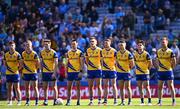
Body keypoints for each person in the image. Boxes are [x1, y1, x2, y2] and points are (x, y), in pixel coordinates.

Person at [156, 37, 176, 106]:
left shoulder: (170, 51)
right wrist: (158, 67)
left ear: (167, 42)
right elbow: (157, 60)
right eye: (162, 42)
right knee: (160, 87)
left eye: (164, 42)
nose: (162, 43)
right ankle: (159, 101)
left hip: (168, 71)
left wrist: (171, 68)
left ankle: (173, 101)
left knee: (170, 86)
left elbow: (174, 61)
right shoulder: (158, 51)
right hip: (161, 71)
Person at [40, 39, 59, 105]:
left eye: (47, 44)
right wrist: (41, 71)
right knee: (45, 87)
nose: (46, 45)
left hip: (52, 72)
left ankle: (55, 101)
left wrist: (54, 72)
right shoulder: (42, 52)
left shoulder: (53, 52)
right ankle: (45, 101)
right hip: (45, 72)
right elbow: (41, 63)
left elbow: (56, 63)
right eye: (45, 44)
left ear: (50, 44)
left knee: (54, 87)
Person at [21, 40, 40, 106]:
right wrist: (23, 70)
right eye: (26, 45)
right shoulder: (23, 53)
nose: (27, 46)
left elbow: (38, 64)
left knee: (35, 87)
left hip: (33, 73)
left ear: (31, 45)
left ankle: (37, 102)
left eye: (28, 45)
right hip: (26, 73)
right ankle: (27, 102)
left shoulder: (34, 54)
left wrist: (35, 70)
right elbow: (22, 63)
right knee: (27, 88)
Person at [65, 39, 84, 106]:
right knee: (69, 87)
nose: (73, 45)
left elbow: (82, 63)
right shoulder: (68, 53)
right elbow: (66, 63)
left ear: (77, 44)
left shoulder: (80, 53)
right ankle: (68, 101)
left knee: (78, 87)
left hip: (77, 72)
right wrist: (65, 72)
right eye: (72, 44)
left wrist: (81, 72)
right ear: (71, 45)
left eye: (74, 44)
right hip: (70, 72)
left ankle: (78, 101)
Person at [116, 39, 134, 105]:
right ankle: (122, 101)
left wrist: (127, 69)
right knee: (121, 88)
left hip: (126, 73)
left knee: (128, 87)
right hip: (119, 73)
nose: (121, 46)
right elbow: (116, 62)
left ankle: (130, 101)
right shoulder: (117, 53)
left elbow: (132, 64)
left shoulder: (128, 53)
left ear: (125, 45)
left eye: (122, 45)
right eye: (120, 45)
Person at [134, 40, 152, 105]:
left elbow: (150, 63)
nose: (139, 46)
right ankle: (142, 101)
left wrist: (147, 70)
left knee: (147, 87)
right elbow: (134, 63)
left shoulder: (146, 54)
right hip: (138, 73)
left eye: (140, 45)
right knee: (140, 87)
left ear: (143, 46)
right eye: (138, 45)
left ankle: (149, 101)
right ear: (137, 46)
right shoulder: (135, 54)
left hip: (145, 73)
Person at [85, 37, 102, 105]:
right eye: (91, 41)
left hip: (98, 70)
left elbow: (102, 60)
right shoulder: (87, 50)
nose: (92, 43)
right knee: (90, 86)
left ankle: (99, 100)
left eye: (93, 41)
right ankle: (91, 101)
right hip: (90, 70)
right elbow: (86, 60)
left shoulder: (100, 50)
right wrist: (89, 66)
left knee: (99, 85)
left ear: (96, 42)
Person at [3, 41, 21, 105]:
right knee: (9, 88)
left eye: (12, 45)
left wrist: (16, 70)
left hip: (15, 74)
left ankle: (19, 101)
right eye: (10, 45)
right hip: (8, 74)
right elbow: (5, 64)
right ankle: (10, 101)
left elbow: (21, 64)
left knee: (17, 88)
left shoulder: (17, 54)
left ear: (15, 46)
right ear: (8, 46)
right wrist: (9, 69)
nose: (11, 47)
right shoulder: (6, 55)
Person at [101, 38, 118, 105]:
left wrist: (116, 69)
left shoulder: (114, 51)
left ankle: (115, 100)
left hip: (112, 70)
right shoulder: (102, 51)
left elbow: (117, 61)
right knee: (105, 85)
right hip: (105, 70)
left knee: (113, 85)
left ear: (110, 43)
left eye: (107, 43)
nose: (105, 44)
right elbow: (101, 60)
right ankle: (105, 100)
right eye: (105, 43)